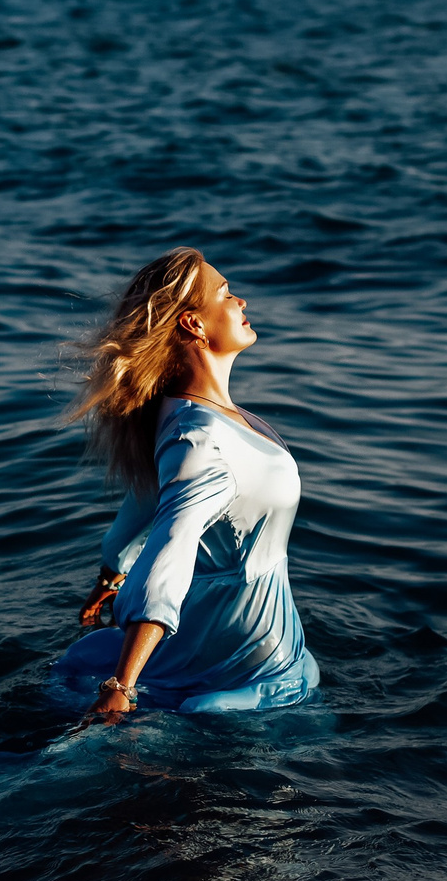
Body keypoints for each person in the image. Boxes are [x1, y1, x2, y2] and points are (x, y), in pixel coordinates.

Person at [57, 248, 320, 719]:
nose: (241, 302)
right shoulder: (200, 438)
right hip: (254, 655)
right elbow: (171, 548)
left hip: (221, 624)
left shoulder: (188, 416)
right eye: (225, 294)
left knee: (80, 661)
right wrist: (122, 685)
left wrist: (113, 572)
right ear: (194, 324)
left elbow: (147, 500)